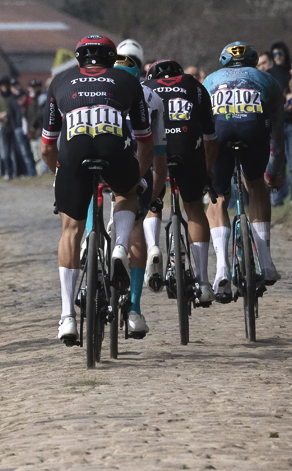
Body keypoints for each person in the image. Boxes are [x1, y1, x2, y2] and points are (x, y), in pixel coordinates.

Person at [41, 35, 153, 343]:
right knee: (126, 194)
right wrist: (137, 178)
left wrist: (63, 178)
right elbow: (145, 141)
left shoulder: (60, 80)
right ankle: (119, 246)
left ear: (79, 59)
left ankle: (66, 318)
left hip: (72, 154)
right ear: (111, 57)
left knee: (70, 230)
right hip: (114, 149)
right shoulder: (126, 80)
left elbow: (47, 148)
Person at [203, 41, 285, 300]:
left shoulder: (210, 79)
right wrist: (274, 169)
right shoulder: (265, 78)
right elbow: (277, 131)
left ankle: (221, 269)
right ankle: (267, 261)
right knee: (256, 184)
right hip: (253, 130)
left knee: (218, 198)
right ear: (252, 61)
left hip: (220, 132)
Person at [144, 58, 218, 307]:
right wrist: (207, 171)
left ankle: (153, 247)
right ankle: (204, 282)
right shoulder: (194, 85)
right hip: (188, 149)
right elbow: (210, 137)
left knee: (150, 200)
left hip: (157, 149)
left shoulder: (145, 88)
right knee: (194, 207)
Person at [109, 52, 167, 336]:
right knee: (134, 222)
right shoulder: (152, 97)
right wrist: (153, 196)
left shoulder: (95, 88)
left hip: (96, 153)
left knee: (89, 193)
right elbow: (158, 154)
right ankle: (134, 309)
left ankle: (87, 243)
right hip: (138, 161)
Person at [269, 41, 292, 204]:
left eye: (280, 54)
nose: (278, 57)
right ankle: (277, 198)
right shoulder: (268, 75)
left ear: (286, 54)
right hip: (276, 124)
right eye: (274, 54)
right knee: (277, 163)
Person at [0, 77, 22, 179]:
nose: (4, 88)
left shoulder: (12, 97)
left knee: (17, 150)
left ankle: (18, 172)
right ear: (0, 87)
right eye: (2, 86)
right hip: (3, 127)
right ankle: (9, 173)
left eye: (6, 85)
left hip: (13, 126)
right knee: (6, 152)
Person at [25, 80, 49, 175]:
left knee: (42, 153)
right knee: (36, 155)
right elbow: (27, 116)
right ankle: (40, 172)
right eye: (32, 87)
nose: (34, 89)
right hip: (34, 132)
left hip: (41, 130)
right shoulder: (30, 100)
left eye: (36, 87)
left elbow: (41, 116)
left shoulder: (43, 98)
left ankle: (44, 172)